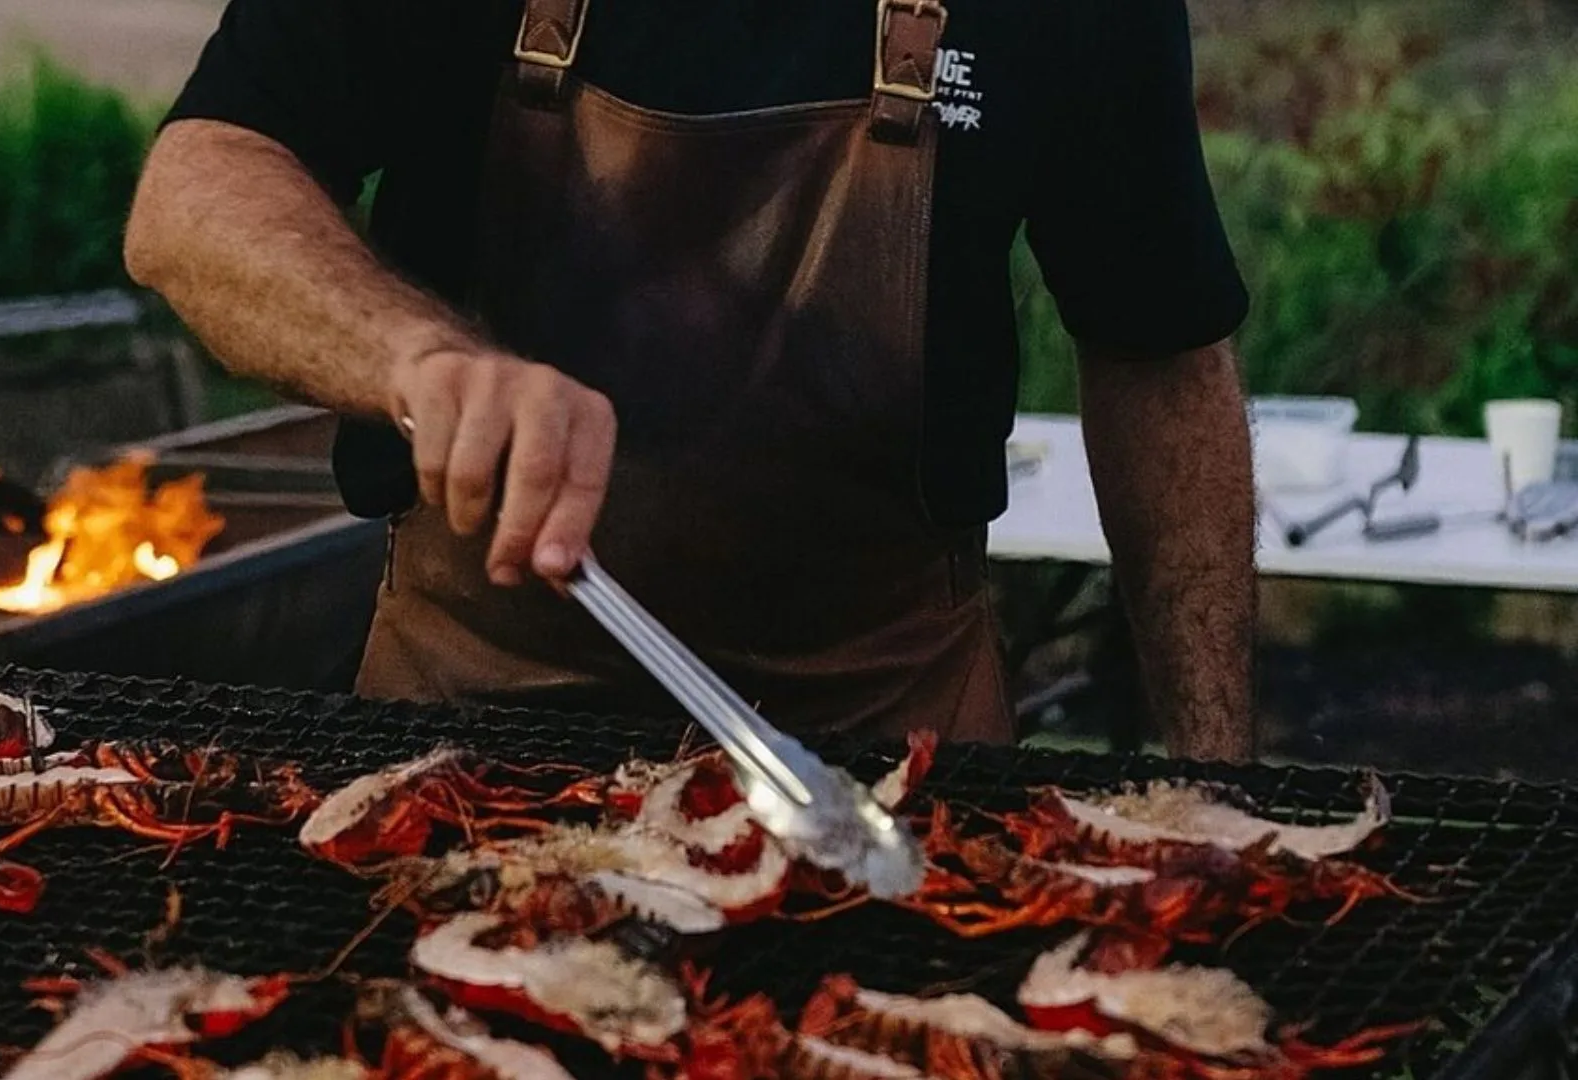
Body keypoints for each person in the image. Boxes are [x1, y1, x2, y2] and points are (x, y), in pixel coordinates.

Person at [125, 0, 1258, 761]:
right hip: (464, 741)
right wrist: (420, 357)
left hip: (895, 750)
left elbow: (1159, 353)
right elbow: (196, 196)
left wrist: (1217, 776)